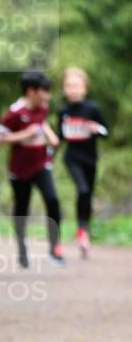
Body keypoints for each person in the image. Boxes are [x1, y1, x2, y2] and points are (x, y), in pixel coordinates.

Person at [0, 70, 64, 268]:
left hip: (41, 164)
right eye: (45, 91)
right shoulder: (15, 113)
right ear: (31, 91)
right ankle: (22, 249)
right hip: (20, 169)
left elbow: (41, 123)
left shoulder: (43, 107)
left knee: (52, 200)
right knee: (22, 209)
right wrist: (24, 134)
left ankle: (54, 247)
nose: (48, 96)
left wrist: (51, 136)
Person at [57, 67, 108, 258]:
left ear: (85, 88)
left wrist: (96, 129)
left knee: (87, 195)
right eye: (69, 86)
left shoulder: (92, 109)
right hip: (72, 158)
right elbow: (60, 136)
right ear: (64, 89)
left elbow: (106, 131)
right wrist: (49, 154)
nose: (73, 90)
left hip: (90, 159)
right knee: (83, 189)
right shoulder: (63, 111)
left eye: (77, 86)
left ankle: (84, 230)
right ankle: (82, 230)